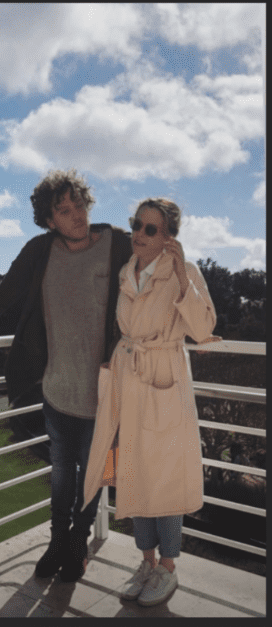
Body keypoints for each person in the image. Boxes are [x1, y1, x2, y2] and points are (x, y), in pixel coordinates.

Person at [0, 169, 132, 583]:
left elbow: (154, 272)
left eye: (79, 204)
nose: (76, 214)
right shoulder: (40, 251)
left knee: (95, 472)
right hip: (58, 390)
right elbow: (3, 294)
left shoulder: (117, 244)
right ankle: (57, 541)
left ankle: (77, 545)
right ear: (48, 219)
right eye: (64, 209)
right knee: (62, 472)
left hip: (107, 392)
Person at [82, 198, 221, 607]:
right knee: (131, 472)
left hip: (163, 383)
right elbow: (123, 328)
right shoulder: (127, 272)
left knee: (165, 478)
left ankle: (169, 569)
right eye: (136, 226)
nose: (139, 235)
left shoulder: (185, 273)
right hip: (129, 382)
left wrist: (181, 274)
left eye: (151, 230)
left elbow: (202, 329)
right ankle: (145, 563)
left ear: (169, 239)